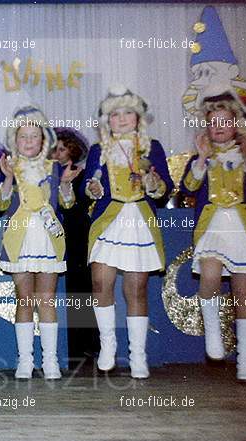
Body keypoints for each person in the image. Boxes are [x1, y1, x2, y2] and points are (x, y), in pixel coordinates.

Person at [82, 86, 173, 379]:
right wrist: (92, 189)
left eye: (128, 113)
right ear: (107, 121)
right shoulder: (98, 151)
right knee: (100, 282)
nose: (121, 119)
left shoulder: (151, 147)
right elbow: (88, 186)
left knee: (136, 288)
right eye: (115, 114)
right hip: (108, 220)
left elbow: (164, 190)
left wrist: (152, 180)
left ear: (138, 118)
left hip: (139, 221)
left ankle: (137, 355)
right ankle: (108, 346)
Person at [180, 85, 246, 382]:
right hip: (212, 226)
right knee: (209, 276)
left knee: (244, 293)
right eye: (213, 123)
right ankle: (212, 336)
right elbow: (188, 187)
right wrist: (201, 158)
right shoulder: (200, 157)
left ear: (236, 125)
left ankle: (245, 363)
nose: (219, 128)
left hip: (241, 228)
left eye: (225, 122)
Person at [0, 106, 76, 380]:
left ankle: (50, 360)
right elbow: (1, 203)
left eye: (34, 136)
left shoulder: (54, 168)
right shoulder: (10, 166)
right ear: (14, 140)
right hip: (19, 239)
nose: (29, 141)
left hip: (48, 240)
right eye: (23, 136)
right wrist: (6, 178)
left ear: (44, 139)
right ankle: (25, 361)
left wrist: (65, 184)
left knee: (47, 300)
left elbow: (67, 203)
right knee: (24, 300)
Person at [50, 127, 99, 371]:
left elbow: (75, 206)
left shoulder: (81, 174)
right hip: (52, 237)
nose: (57, 153)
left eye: (62, 148)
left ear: (73, 150)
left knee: (79, 291)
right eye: (55, 148)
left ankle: (85, 347)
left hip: (76, 236)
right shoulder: (47, 175)